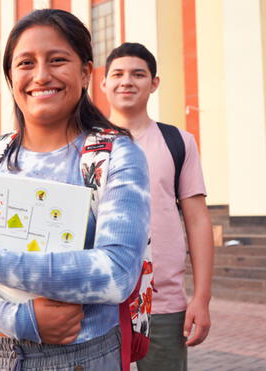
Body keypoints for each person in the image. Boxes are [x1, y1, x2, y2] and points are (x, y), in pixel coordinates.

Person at [0, 9, 150, 370]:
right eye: (26, 63)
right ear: (10, 77)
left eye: (58, 60)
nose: (41, 75)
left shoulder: (115, 155)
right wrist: (18, 318)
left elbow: (116, 273)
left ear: (84, 72)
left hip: (82, 358)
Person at [102, 42, 213, 371]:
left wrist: (202, 298)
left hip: (163, 302)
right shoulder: (87, 142)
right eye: (117, 74)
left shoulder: (179, 141)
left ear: (154, 83)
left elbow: (197, 222)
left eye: (138, 74)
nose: (127, 81)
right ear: (103, 83)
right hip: (100, 302)